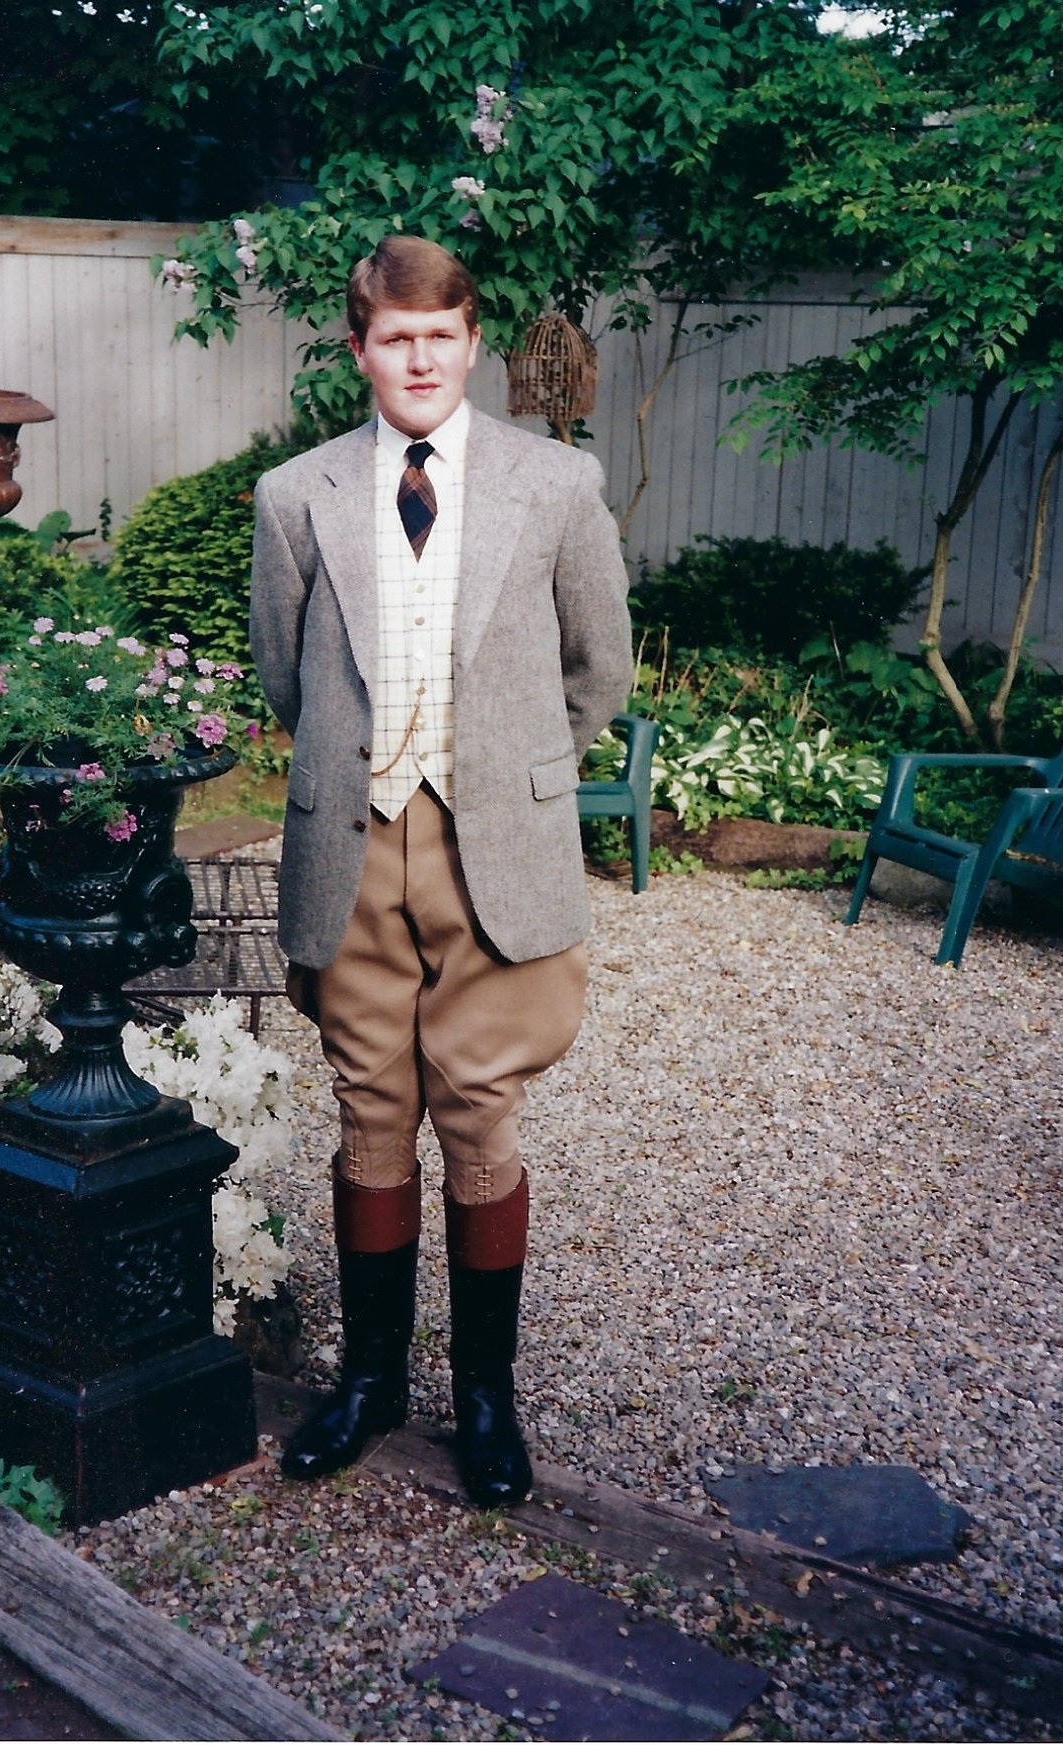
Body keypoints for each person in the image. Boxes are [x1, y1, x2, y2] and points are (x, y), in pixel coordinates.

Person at [249, 234, 632, 1508]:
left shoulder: (555, 483)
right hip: (352, 846)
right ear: (359, 351)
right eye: (392, 339)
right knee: (369, 1108)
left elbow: (597, 669)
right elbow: (285, 674)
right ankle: (368, 1382)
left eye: (438, 336)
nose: (417, 359)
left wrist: (509, 775)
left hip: (494, 844)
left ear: (471, 343)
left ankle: (482, 1395)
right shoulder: (295, 493)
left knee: (478, 1112)